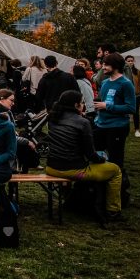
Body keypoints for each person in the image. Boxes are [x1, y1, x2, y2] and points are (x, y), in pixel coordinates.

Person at [45, 90, 124, 220]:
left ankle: (70, 199)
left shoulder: (53, 118)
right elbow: (91, 154)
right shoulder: (82, 122)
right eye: (82, 103)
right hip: (72, 170)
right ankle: (113, 211)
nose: (83, 105)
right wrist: (102, 159)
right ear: (76, 105)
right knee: (115, 170)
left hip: (51, 167)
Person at [93, 52, 135, 206]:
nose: (103, 67)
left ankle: (119, 197)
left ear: (115, 66)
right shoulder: (105, 83)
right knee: (97, 157)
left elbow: (131, 107)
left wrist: (107, 106)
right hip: (101, 125)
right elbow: (103, 101)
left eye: (106, 64)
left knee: (116, 162)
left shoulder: (125, 84)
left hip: (117, 127)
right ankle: (98, 194)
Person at [0, 89, 40, 172]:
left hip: (6, 147)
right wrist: (27, 142)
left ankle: (26, 167)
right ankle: (27, 166)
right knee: (26, 143)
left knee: (25, 137)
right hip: (3, 150)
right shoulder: (0, 114)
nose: (13, 103)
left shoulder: (6, 111)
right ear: (2, 99)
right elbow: (9, 138)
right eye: (11, 100)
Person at [125, 55, 140, 137]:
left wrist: (138, 91)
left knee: (135, 113)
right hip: (125, 96)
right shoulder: (122, 72)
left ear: (134, 62)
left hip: (136, 96)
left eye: (132, 61)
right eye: (128, 61)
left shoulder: (138, 72)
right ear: (125, 62)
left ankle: (137, 130)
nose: (130, 62)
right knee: (124, 113)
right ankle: (125, 129)